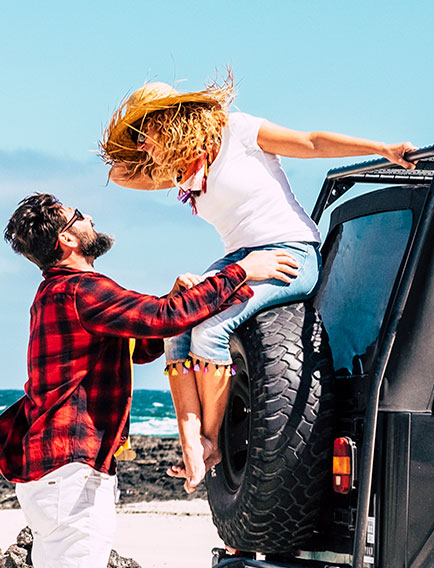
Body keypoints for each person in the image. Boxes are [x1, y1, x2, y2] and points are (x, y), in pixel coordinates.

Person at [0, 193, 298, 568]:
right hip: (74, 470)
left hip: (48, 471)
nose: (90, 216)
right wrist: (241, 272)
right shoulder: (83, 288)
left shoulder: (53, 293)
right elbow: (163, 319)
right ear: (67, 239)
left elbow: (142, 342)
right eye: (79, 216)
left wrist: (171, 301)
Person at [99, 74, 416, 491]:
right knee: (177, 324)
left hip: (289, 252)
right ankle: (192, 443)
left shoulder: (239, 130)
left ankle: (211, 442)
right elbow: (123, 174)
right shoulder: (185, 170)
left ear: (169, 118)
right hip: (239, 260)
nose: (142, 143)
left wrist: (381, 148)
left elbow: (310, 142)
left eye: (145, 130)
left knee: (211, 329)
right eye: (137, 135)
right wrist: (148, 144)